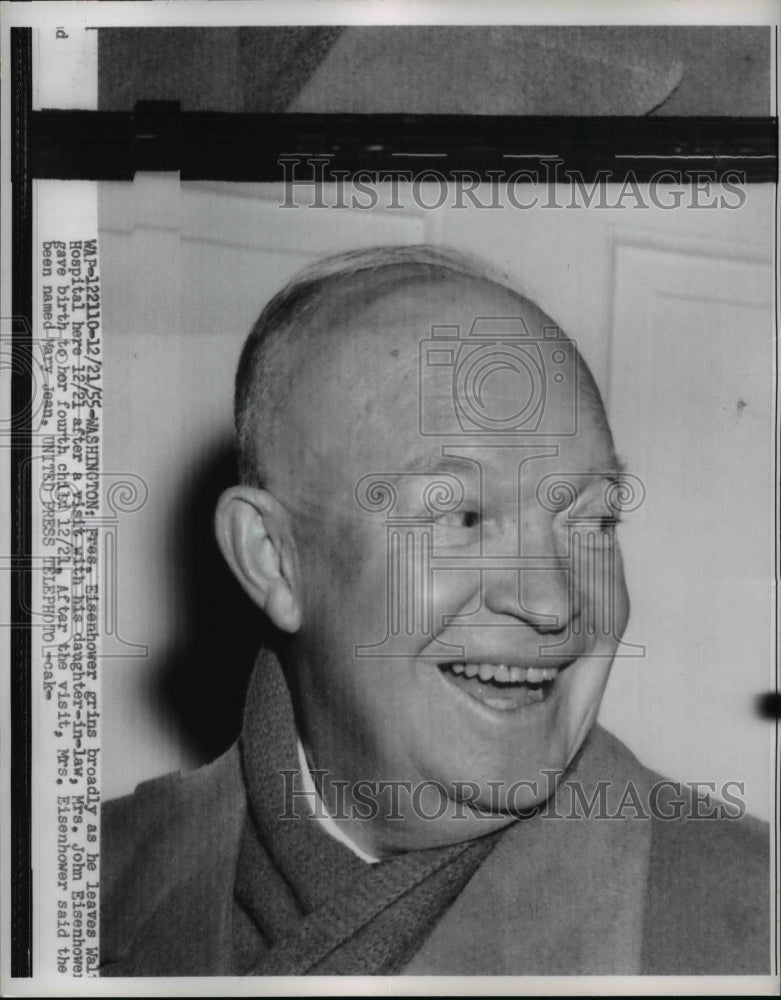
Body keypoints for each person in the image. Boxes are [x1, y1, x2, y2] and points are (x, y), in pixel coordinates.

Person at [100, 245, 769, 976]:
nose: (551, 604)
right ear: (273, 557)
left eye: (592, 521)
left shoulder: (749, 917)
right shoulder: (82, 883)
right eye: (463, 517)